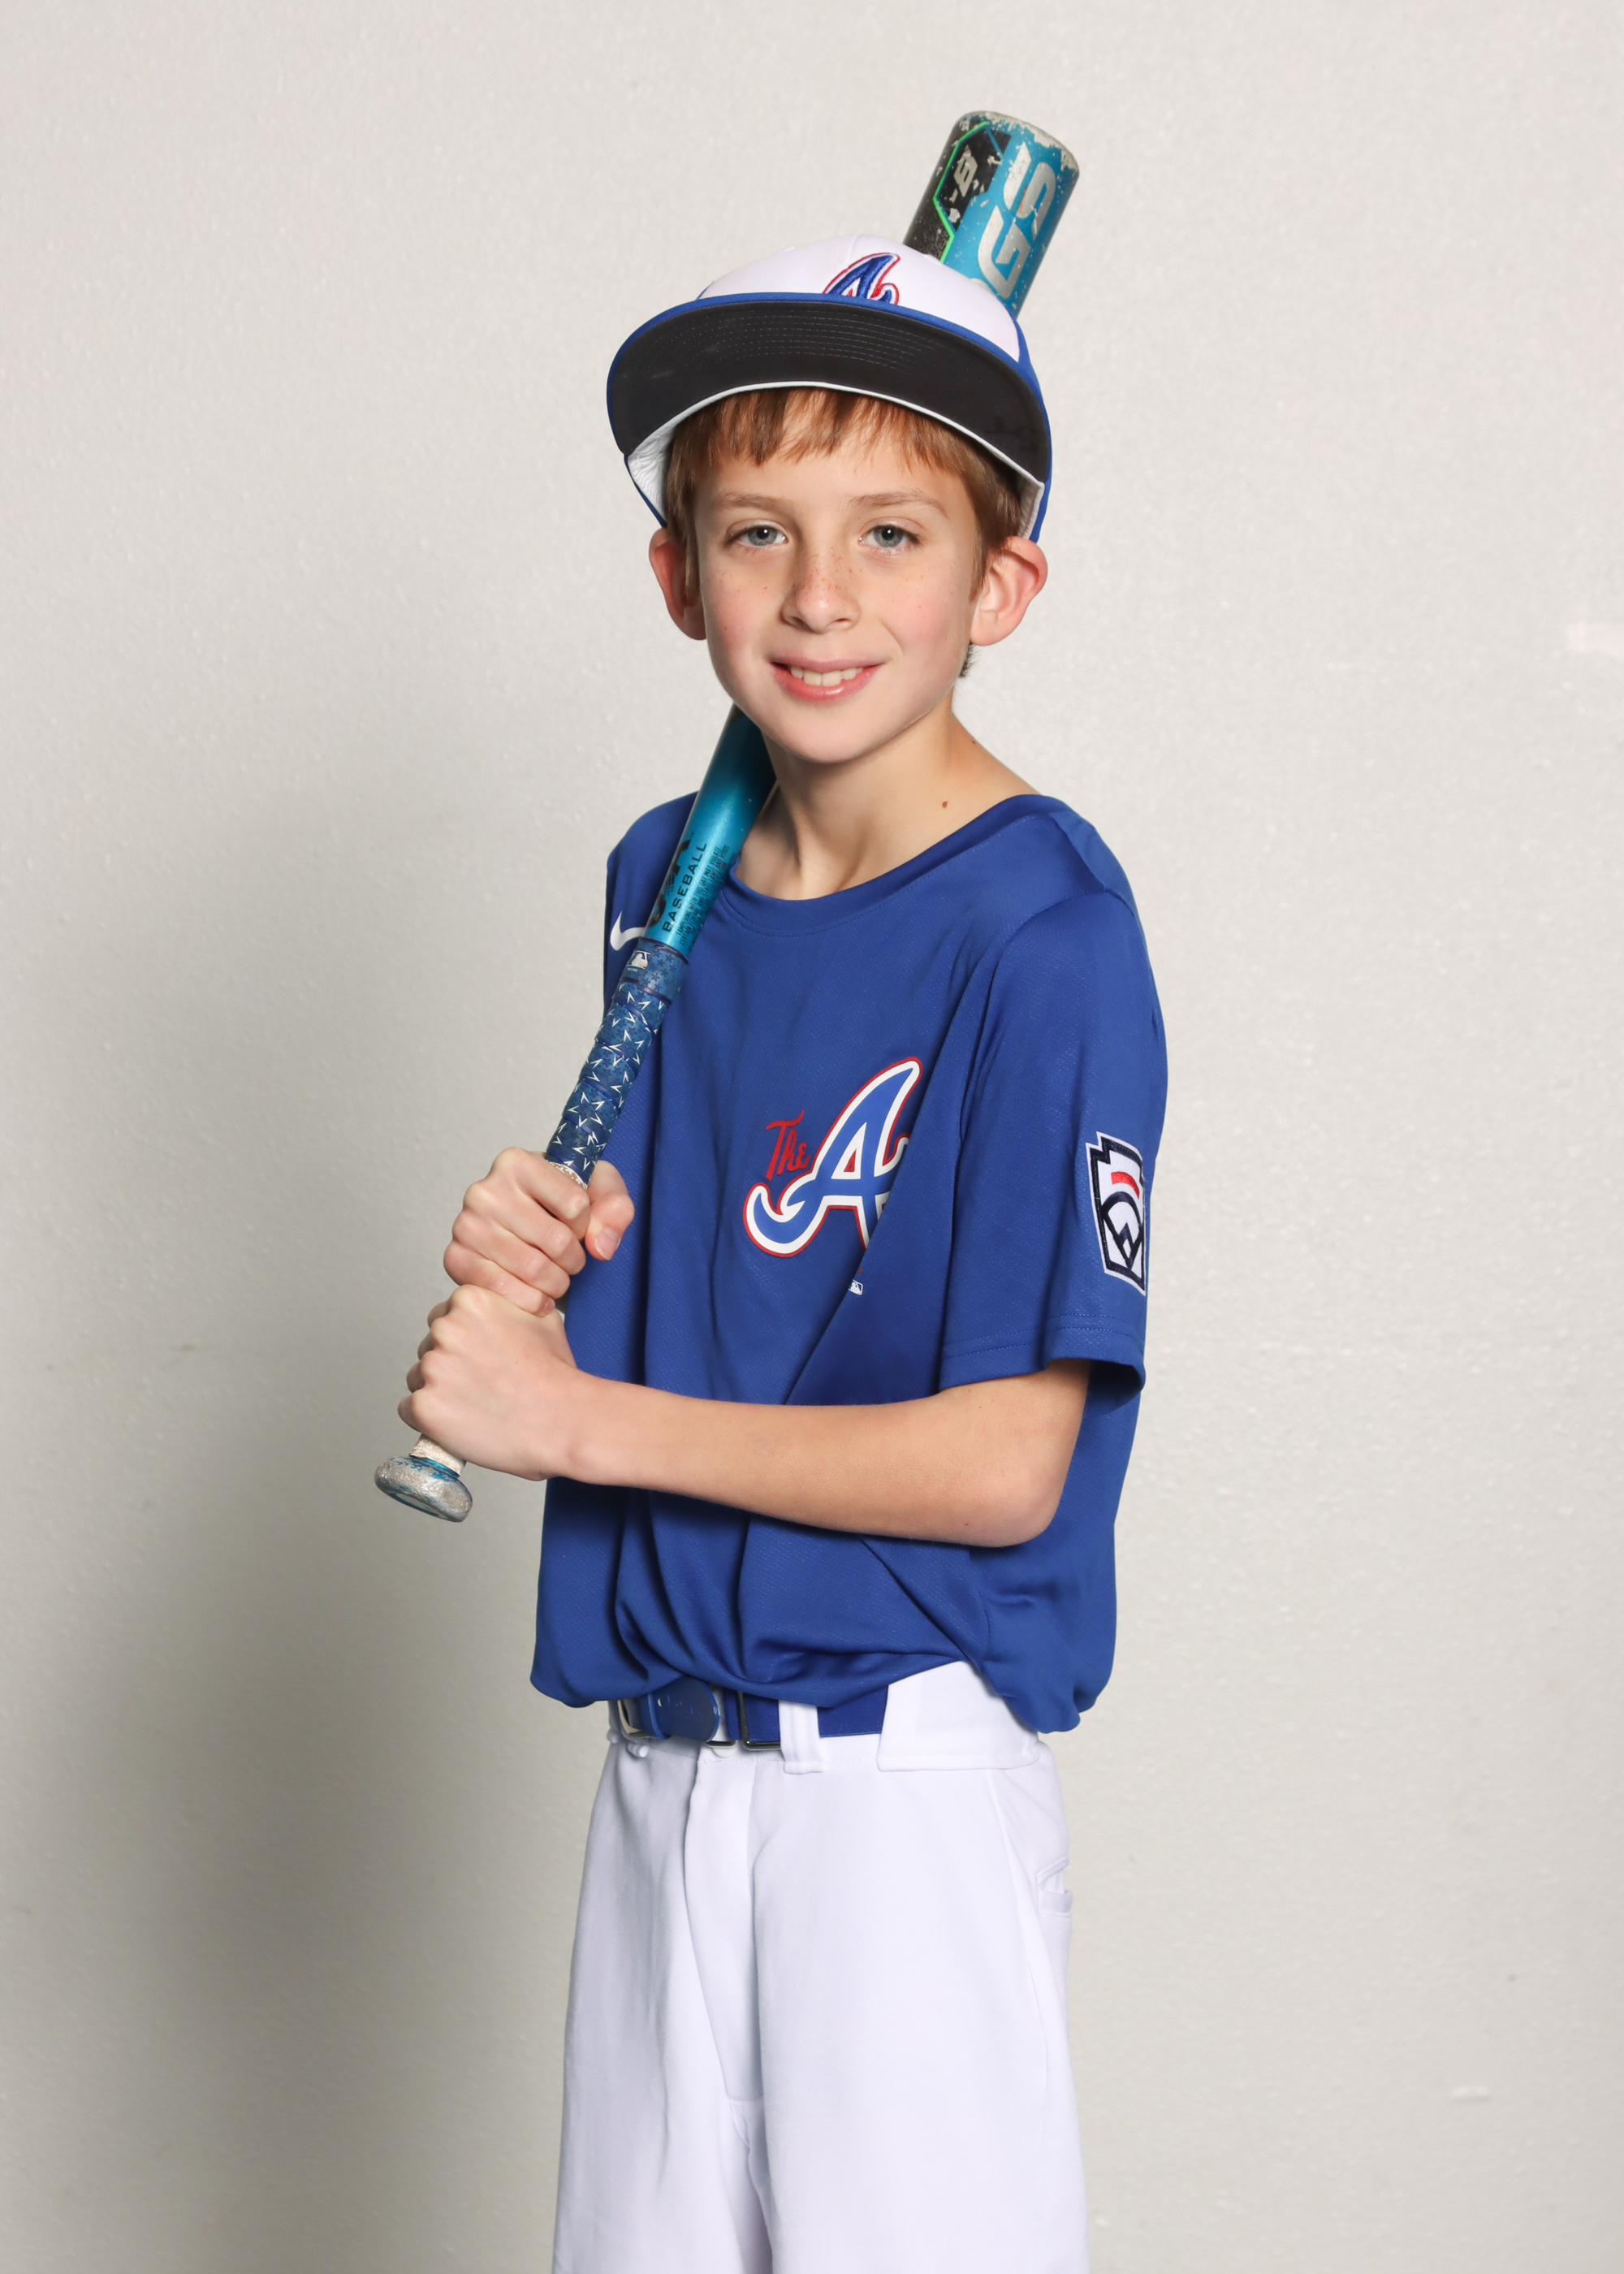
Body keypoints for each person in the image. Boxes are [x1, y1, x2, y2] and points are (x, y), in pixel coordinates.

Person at [397, 236, 1167, 2274]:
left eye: (891, 533)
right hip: (661, 1778)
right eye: (759, 531)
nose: (820, 596)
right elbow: (721, 1266)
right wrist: (544, 1256)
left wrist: (571, 1416)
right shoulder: (664, 879)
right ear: (679, 577)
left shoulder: (1046, 933)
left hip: (892, 1801)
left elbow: (1004, 1459)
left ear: (1000, 586)